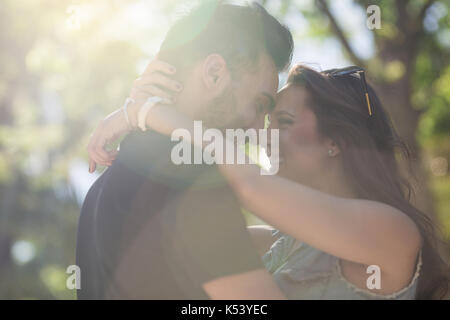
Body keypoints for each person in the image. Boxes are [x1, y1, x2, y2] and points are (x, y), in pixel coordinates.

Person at [89, 60, 450, 299]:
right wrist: (157, 110)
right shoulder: (275, 244)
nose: (263, 138)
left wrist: (145, 112)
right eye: (266, 124)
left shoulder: (394, 232)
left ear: (335, 142)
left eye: (285, 122)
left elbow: (246, 183)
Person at [76, 1, 294, 299]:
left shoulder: (102, 185)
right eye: (259, 105)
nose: (258, 129)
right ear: (215, 73)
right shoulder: (189, 174)